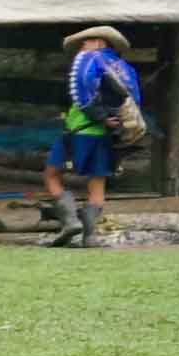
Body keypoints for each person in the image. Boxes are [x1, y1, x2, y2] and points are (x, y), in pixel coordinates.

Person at [49, 20, 146, 244]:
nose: (82, 46)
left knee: (52, 174)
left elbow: (82, 84)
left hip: (81, 129)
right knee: (97, 182)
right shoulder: (126, 68)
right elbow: (135, 101)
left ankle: (71, 222)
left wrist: (98, 115)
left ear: (99, 42)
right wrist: (115, 122)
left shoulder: (88, 58)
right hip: (106, 134)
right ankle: (90, 236)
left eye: (86, 41)